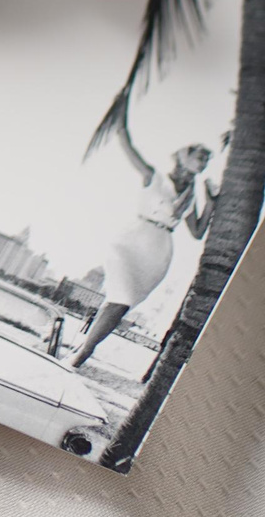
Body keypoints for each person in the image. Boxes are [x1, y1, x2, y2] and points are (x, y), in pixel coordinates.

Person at [70, 143, 215, 370]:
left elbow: (197, 232)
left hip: (158, 252)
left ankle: (79, 347)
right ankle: (83, 354)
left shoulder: (190, 195)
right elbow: (128, 146)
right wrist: (119, 121)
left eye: (207, 160)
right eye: (200, 157)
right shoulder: (154, 177)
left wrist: (209, 202)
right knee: (121, 298)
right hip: (132, 241)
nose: (204, 163)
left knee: (116, 304)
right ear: (183, 157)